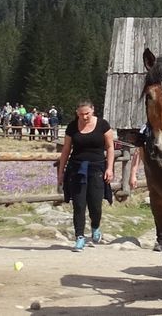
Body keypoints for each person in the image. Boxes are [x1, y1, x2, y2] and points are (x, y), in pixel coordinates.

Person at [57, 100, 114, 252]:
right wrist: (61, 172)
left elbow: (110, 147)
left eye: (87, 113)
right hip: (77, 169)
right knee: (79, 204)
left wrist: (109, 168)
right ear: (77, 113)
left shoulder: (103, 125)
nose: (84, 117)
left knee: (95, 204)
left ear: (93, 111)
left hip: (97, 168)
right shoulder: (72, 126)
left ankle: (95, 226)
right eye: (81, 114)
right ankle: (79, 237)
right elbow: (66, 150)